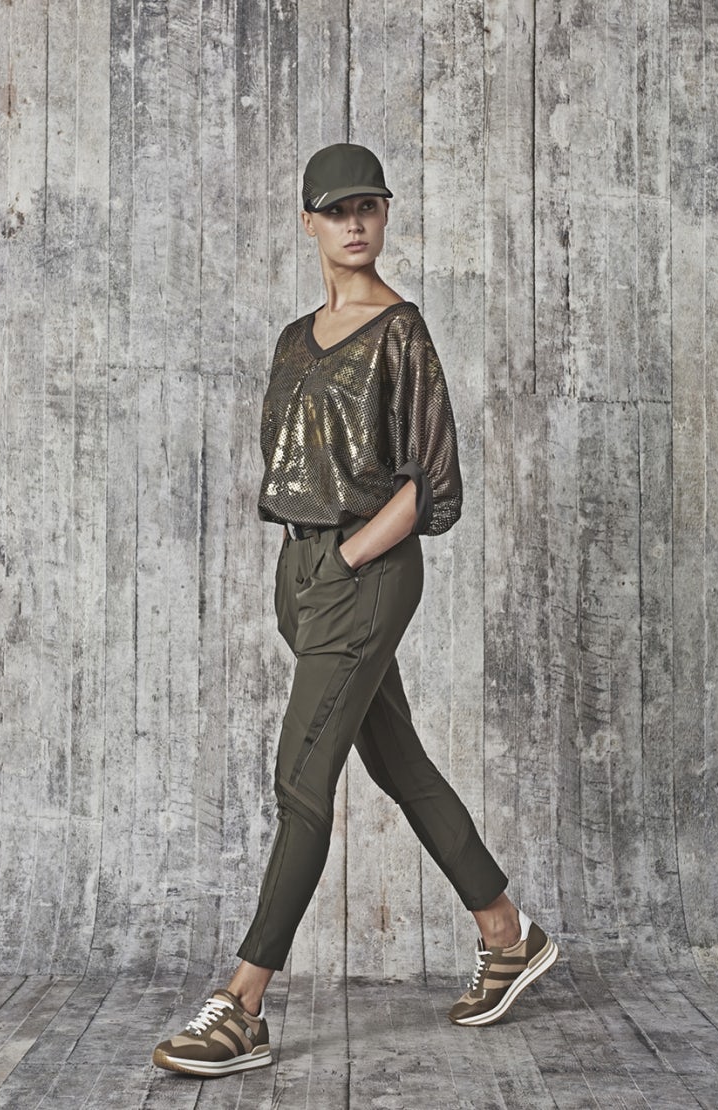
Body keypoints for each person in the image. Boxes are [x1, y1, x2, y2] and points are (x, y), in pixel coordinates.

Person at [152, 144, 557, 1079]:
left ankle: (242, 1006)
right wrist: (307, 567)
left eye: (368, 206)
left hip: (363, 567)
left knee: (301, 780)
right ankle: (508, 932)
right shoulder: (295, 340)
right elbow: (291, 463)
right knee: (396, 760)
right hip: (301, 571)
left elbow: (432, 482)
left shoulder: (401, 331)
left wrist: (346, 556)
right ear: (309, 222)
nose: (354, 223)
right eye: (336, 210)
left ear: (384, 214)